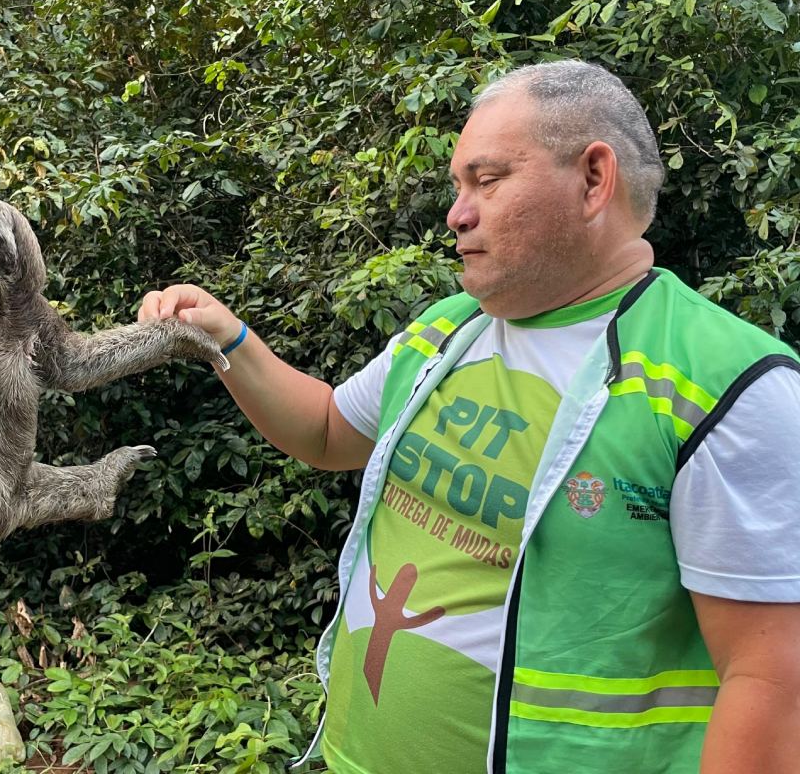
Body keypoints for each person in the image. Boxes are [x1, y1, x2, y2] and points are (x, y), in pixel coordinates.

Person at [138, 60, 800, 773]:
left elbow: (772, 678)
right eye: (458, 187)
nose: (457, 212)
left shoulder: (727, 383)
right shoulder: (450, 331)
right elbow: (329, 431)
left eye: (487, 181)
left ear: (593, 180)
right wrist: (229, 341)